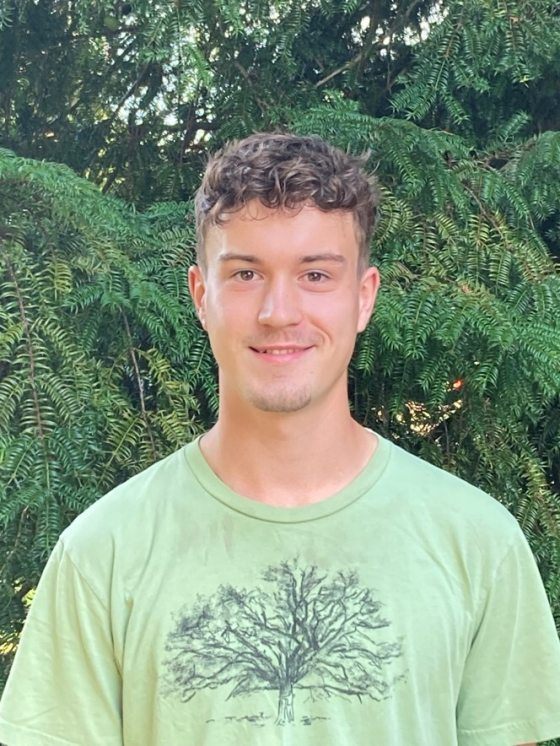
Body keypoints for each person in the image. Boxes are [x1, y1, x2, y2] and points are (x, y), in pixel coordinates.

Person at [0, 132, 559, 746]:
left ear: (363, 298)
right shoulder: (101, 554)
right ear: (201, 295)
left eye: (316, 273)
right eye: (245, 274)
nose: (279, 311)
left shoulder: (477, 542)